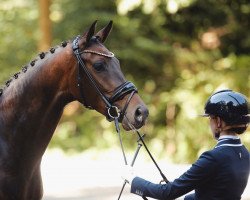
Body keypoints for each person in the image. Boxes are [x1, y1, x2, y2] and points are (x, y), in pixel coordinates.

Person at [122, 89, 250, 200]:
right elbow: (217, 192)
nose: (209, 123)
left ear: (218, 122)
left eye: (210, 118)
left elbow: (167, 192)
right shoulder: (245, 154)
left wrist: (133, 179)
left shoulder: (213, 157)